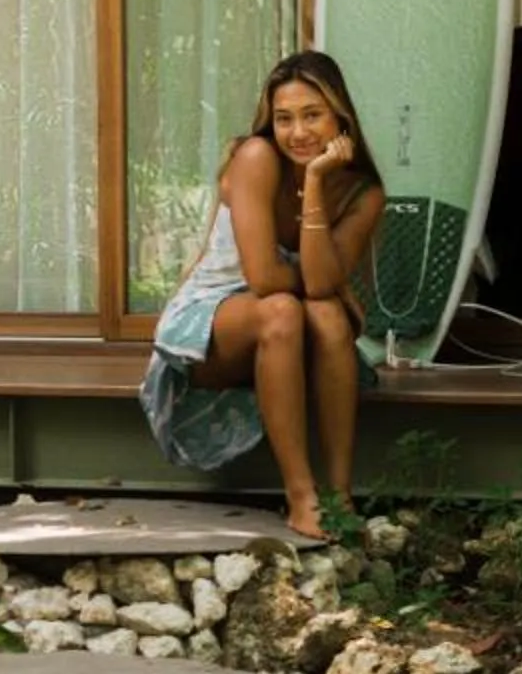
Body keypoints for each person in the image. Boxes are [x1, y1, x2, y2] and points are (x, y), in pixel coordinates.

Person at [140, 51, 386, 537]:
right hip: (208, 322)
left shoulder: (363, 193)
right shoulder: (256, 157)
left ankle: (339, 495)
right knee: (284, 310)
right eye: (284, 118)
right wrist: (328, 282)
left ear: (340, 117)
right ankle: (301, 496)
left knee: (327, 317)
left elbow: (318, 288)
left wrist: (314, 182)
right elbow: (268, 280)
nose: (298, 132)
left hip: (286, 319)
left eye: (312, 115)